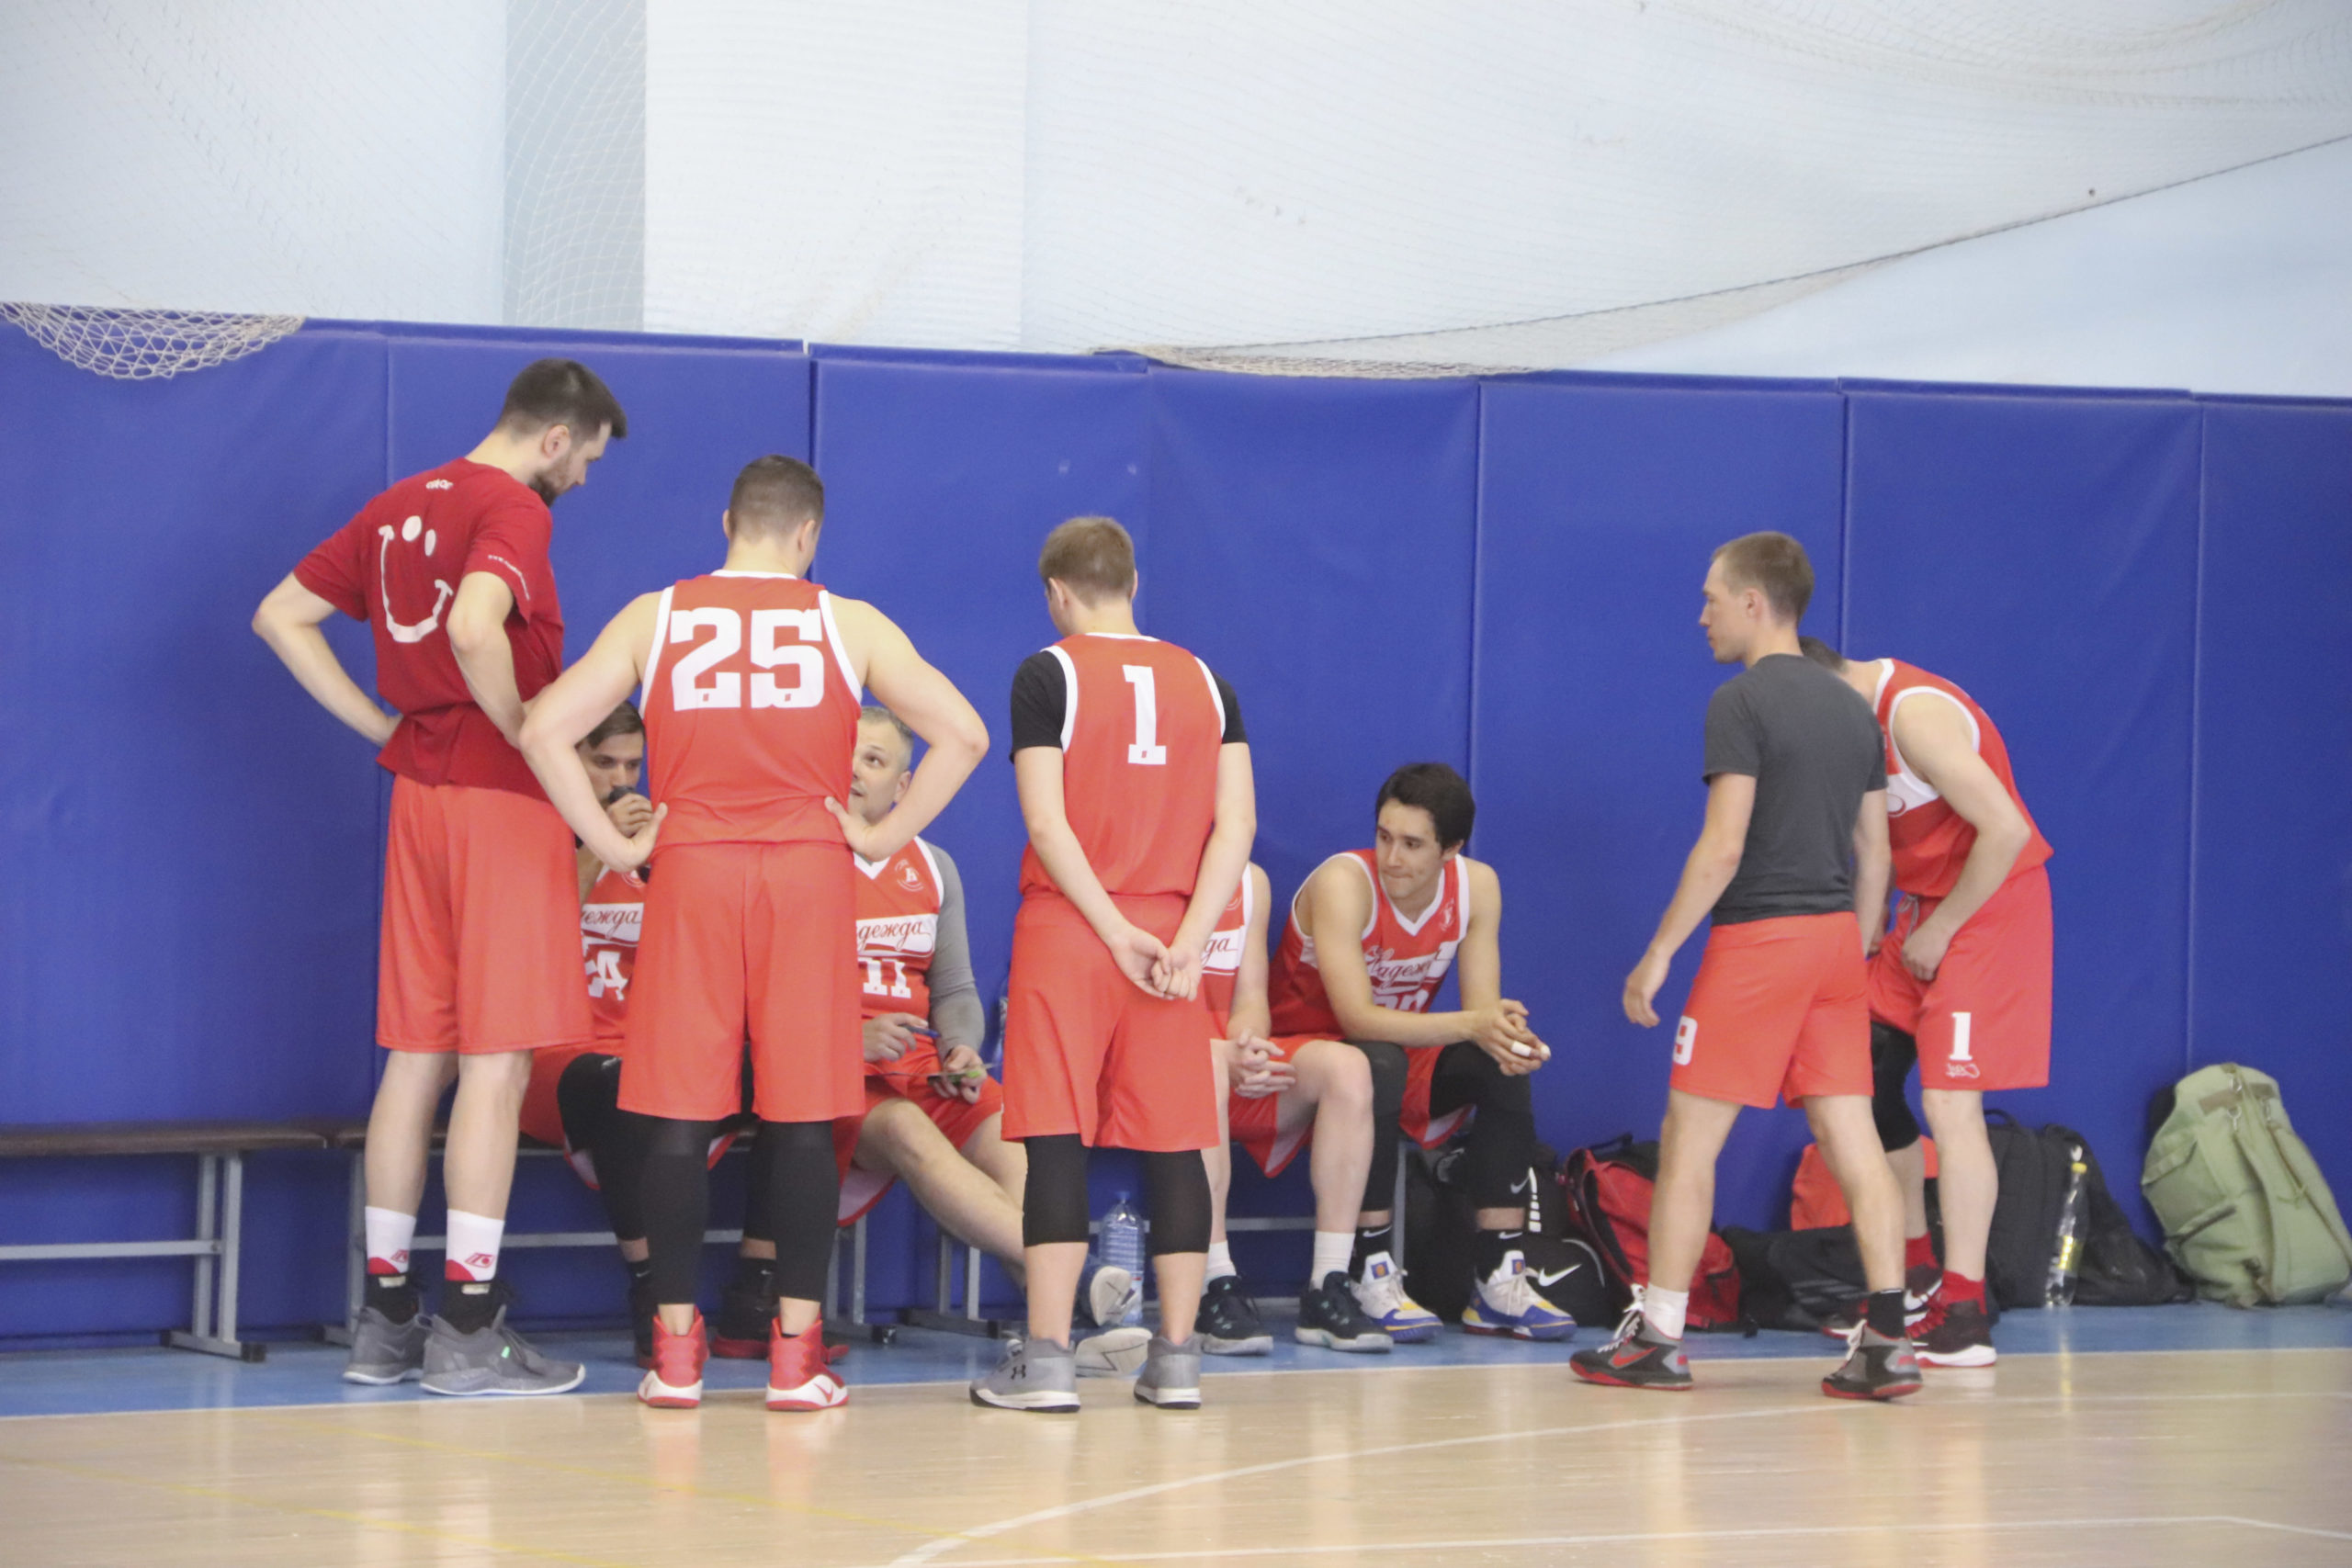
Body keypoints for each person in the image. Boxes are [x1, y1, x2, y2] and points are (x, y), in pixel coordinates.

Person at [519, 454, 988, 1413]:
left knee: (676, 1115)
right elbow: (967, 735)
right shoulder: (847, 621)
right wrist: (880, 836)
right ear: (809, 533)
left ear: (726, 521)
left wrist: (612, 841)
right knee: (803, 1117)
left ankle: (675, 1357)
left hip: (692, 868)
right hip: (806, 874)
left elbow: (541, 729)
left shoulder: (657, 614)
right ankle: (794, 1359)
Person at [253, 357, 626, 1396]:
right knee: (497, 1064)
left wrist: (384, 726)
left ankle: (385, 1320)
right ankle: (467, 1326)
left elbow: (279, 614)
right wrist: (520, 728)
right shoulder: (512, 505)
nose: (582, 481)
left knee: (418, 1057)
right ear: (557, 436)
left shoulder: (397, 505)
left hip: (419, 795)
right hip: (499, 801)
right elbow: (471, 625)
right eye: (587, 460)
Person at [1573, 532, 1918, 1400]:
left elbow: (1722, 847)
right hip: (1836, 941)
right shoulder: (1854, 708)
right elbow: (1876, 851)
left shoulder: (1741, 700)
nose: (1703, 615)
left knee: (1691, 1140)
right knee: (1854, 1138)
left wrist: (1658, 952)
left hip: (1761, 941)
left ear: (1755, 602)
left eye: (1712, 598)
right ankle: (1888, 1339)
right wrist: (1857, 946)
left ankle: (1658, 1337)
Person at [706, 706, 1146, 1368]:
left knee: (1017, 1136)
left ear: (904, 785)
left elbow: (956, 991)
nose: (855, 770)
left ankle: (1051, 1335)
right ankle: (1075, 1279)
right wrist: (849, 1038)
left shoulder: (933, 866)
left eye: (874, 760)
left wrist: (961, 1046)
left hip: (922, 1066)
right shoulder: (793, 856)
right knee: (910, 1129)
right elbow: (748, 997)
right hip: (831, 1075)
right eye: (846, 754)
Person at [969, 516, 1253, 1413]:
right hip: (1170, 934)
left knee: (1056, 1140)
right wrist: (1190, 937)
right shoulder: (1206, 681)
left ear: (1057, 593)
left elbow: (1046, 823)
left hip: (1073, 929)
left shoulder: (1046, 672)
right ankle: (1177, 1360)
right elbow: (1237, 827)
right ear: (1134, 583)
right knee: (1176, 1142)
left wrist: (1109, 927)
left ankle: (1049, 1361)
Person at [1800, 637, 2054, 1369]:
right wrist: (1865, 934)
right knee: (1862, 1074)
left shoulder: (1913, 714)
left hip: (1987, 908)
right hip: (1924, 907)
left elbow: (2006, 829)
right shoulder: (1852, 727)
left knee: (1950, 1103)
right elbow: (1874, 847)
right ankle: (1912, 1274)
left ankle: (1965, 1311)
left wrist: (1942, 930)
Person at [1267, 764, 1571, 1342]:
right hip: (1300, 1062)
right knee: (1374, 1060)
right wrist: (1475, 1022)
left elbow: (1480, 1012)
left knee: (1497, 1063)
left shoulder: (1478, 886)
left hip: (1397, 1052)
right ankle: (1370, 1270)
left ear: (1451, 849)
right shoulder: (1344, 882)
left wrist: (1506, 1035)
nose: (1392, 857)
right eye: (1384, 837)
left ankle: (1499, 1276)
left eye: (1412, 844)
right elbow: (1356, 1019)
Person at [1195, 865, 1392, 1355]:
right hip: (1149, 1073)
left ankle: (1328, 1284)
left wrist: (1247, 1047)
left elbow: (1251, 998)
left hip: (1226, 1063)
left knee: (1348, 1067)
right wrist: (1218, 1056)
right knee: (1205, 1068)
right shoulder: (1139, 871)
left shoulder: (1249, 881)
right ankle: (1211, 1284)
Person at [514, 702, 661, 1363]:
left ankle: (761, 1290)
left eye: (632, 765)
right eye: (604, 763)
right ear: (569, 760)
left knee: (787, 1086)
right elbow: (532, 944)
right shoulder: (535, 831)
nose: (621, 781)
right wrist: (597, 847)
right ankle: (651, 1287)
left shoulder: (655, 846)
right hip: (552, 1058)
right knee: (619, 1085)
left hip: (647, 1048)